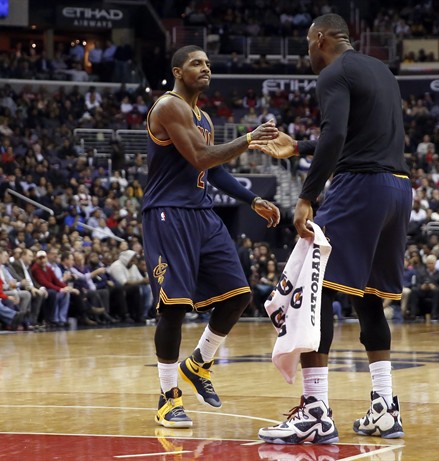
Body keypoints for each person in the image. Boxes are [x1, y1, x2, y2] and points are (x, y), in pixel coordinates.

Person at [250, 14, 411, 443]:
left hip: (360, 187)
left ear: (320, 38)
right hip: (398, 190)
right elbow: (362, 135)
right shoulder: (383, 72)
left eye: (307, 43)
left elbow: (337, 132)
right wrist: (302, 147)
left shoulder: (334, 72)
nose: (307, 52)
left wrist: (306, 196)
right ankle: (384, 408)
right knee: (370, 299)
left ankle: (315, 410)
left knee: (313, 291)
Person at [142, 44, 281, 429]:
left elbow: (213, 169)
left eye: (208, 63)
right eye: (196, 64)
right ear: (177, 71)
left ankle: (199, 362)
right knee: (173, 307)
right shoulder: (169, 106)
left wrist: (251, 199)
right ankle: (168, 398)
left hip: (202, 213)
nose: (206, 68)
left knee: (239, 296)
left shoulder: (203, 116)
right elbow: (202, 158)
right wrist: (249, 139)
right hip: (168, 213)